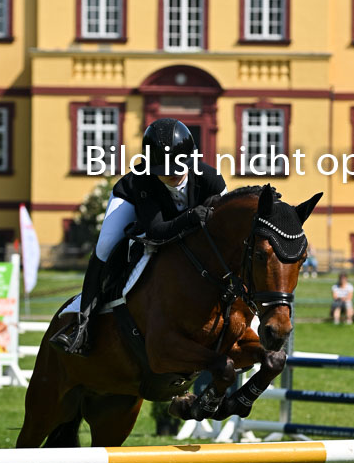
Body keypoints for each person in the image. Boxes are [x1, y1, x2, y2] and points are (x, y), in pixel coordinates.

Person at [53, 118, 227, 356]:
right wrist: (189, 217)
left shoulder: (211, 180)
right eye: (164, 171)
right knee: (105, 246)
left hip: (177, 223)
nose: (173, 175)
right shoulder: (144, 180)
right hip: (132, 202)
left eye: (177, 168)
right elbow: (156, 231)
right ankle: (83, 324)